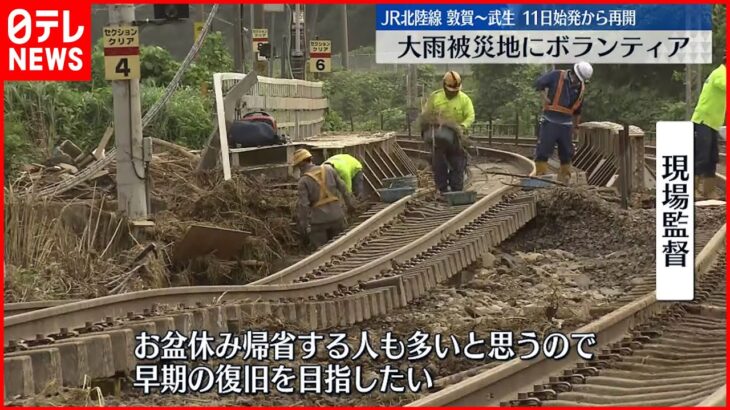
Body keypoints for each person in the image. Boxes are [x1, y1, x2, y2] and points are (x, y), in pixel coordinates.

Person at [534, 61, 593, 184]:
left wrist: (576, 127)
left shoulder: (581, 87)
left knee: (567, 152)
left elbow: (578, 110)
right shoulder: (556, 75)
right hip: (550, 120)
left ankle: (565, 180)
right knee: (544, 150)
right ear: (573, 73)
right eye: (577, 78)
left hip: (566, 125)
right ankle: (540, 177)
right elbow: (539, 83)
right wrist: (544, 97)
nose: (578, 81)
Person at [420, 71, 475, 193]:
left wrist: (462, 126)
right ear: (444, 86)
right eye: (450, 89)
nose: (453, 92)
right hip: (439, 137)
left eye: (455, 90)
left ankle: (456, 190)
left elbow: (470, 116)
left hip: (457, 139)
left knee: (457, 163)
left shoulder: (464, 99)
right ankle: (442, 189)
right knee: (438, 163)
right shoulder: (435, 97)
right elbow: (426, 114)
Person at [292, 148, 355, 249]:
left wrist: (303, 228)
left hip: (318, 223)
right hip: (337, 216)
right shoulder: (329, 169)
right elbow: (344, 189)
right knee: (342, 249)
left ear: (300, 165)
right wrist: (351, 206)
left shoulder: (303, 181)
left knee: (321, 254)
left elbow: (303, 206)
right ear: (310, 159)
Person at [691, 53, 726, 199]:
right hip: (703, 120)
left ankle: (708, 191)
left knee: (712, 157)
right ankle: (691, 190)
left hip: (713, 123)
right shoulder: (720, 73)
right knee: (701, 156)